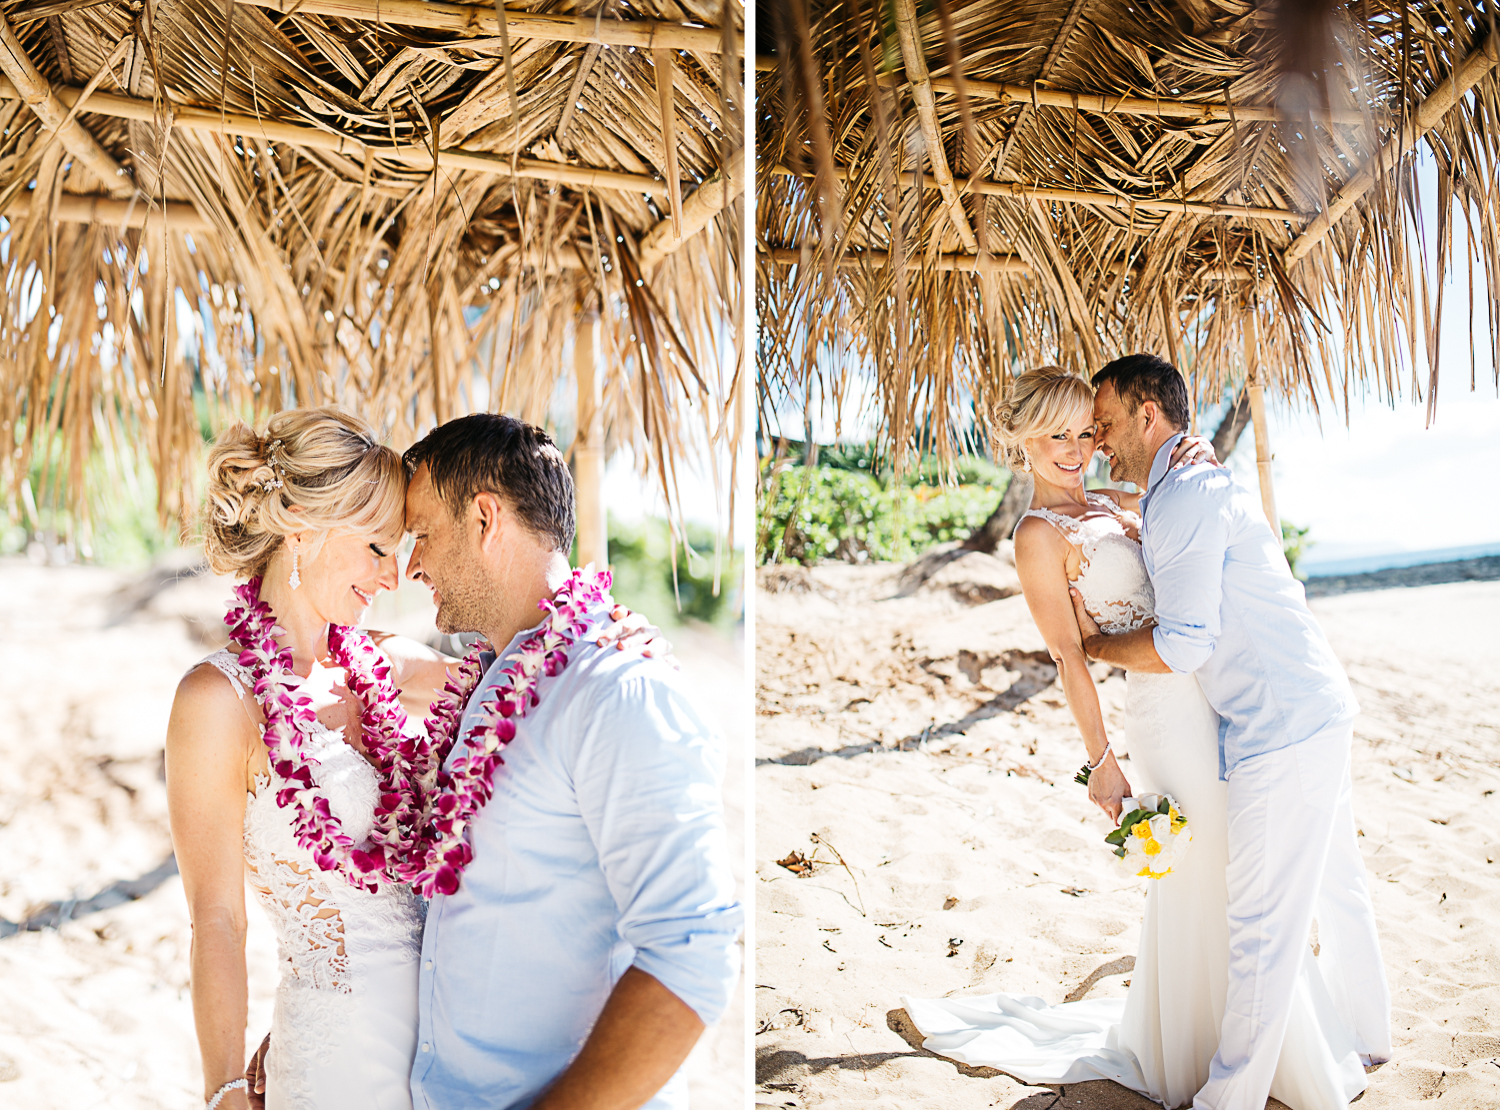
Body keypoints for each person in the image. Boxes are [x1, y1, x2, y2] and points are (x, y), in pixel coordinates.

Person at [902, 363, 1387, 1110]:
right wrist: (1101, 762)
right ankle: (1212, 1048)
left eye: (1086, 431)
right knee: (1213, 873)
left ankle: (1255, 1041)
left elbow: (1191, 532)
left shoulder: (1126, 501)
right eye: (1057, 433)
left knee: (1238, 874)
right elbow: (1070, 655)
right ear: (1019, 440)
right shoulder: (1037, 535)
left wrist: (1196, 452)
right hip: (1165, 716)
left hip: (1217, 708)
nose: (1077, 446)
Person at [168, 408, 669, 1110]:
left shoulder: (394, 669)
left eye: (402, 547)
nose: (391, 576)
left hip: (449, 1057)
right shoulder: (217, 701)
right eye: (376, 548)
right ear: (301, 530)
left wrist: (610, 629)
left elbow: (536, 665)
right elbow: (218, 919)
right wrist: (222, 1085)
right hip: (339, 1055)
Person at [399, 413, 741, 1110]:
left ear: (485, 518)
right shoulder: (484, 681)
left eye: (424, 533)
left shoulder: (620, 690)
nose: (413, 563)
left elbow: (692, 953)